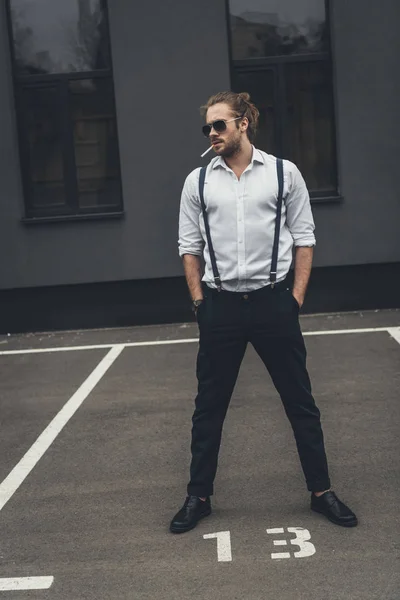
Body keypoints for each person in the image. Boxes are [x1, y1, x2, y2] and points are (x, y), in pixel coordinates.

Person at [170, 91, 357, 534]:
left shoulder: (282, 173)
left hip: (274, 304)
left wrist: (294, 300)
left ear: (243, 124)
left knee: (301, 404)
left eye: (220, 125)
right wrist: (199, 302)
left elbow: (305, 237)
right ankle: (198, 496)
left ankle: (320, 492)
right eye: (207, 128)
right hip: (220, 306)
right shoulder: (198, 182)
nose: (212, 134)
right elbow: (188, 247)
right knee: (208, 409)